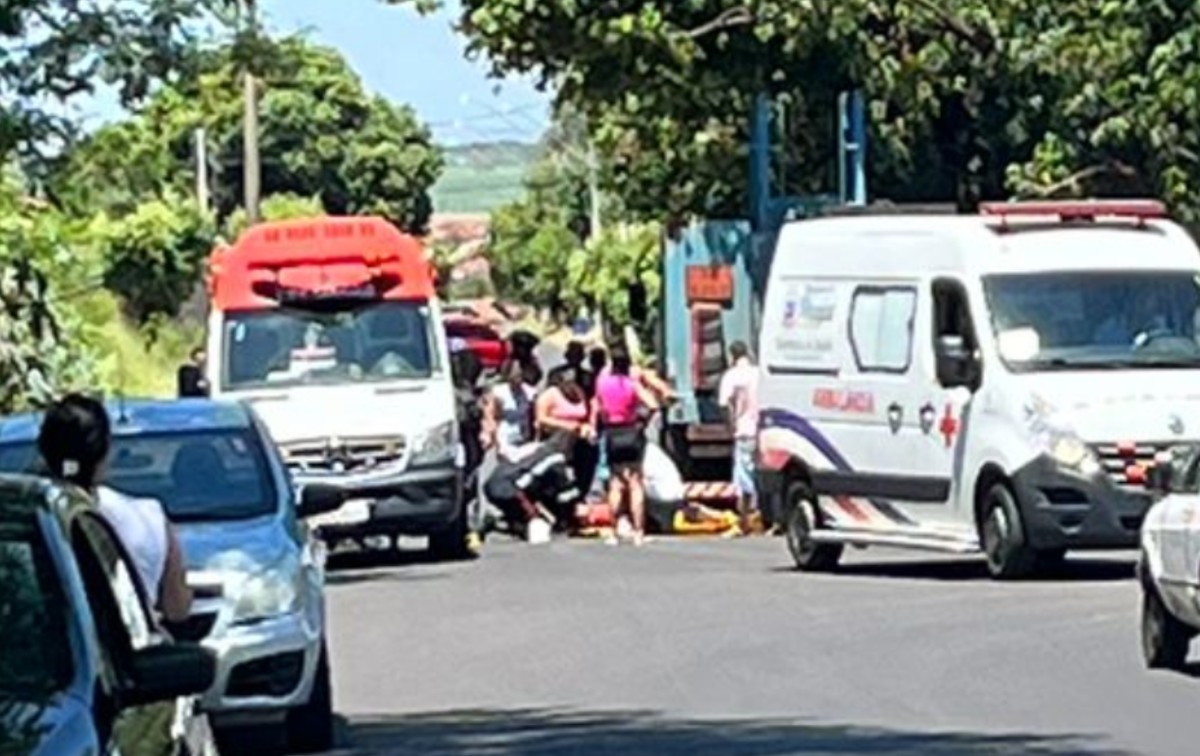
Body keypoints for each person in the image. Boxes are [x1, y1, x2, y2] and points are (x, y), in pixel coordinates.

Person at [37, 394, 192, 624]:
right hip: (130, 654)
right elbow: (177, 608)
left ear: (44, 452)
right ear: (105, 452)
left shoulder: (28, 520)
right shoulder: (149, 519)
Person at [593, 343, 659, 545]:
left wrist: (602, 422)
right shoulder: (632, 384)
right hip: (631, 431)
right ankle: (638, 532)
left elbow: (598, 406)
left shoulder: (602, 383)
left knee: (615, 484)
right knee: (635, 483)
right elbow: (653, 405)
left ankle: (613, 532)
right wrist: (642, 422)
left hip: (612, 432)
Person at [535, 366, 594, 524]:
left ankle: (575, 510)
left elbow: (584, 413)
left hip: (577, 442)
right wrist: (565, 425)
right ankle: (558, 513)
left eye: (573, 381)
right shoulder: (550, 395)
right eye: (567, 382)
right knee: (559, 478)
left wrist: (587, 426)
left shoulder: (579, 393)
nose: (571, 385)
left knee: (580, 476)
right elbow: (541, 419)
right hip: (556, 441)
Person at [718, 341, 761, 535]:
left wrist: (730, 425)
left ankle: (745, 520)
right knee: (762, 473)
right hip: (762, 430)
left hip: (743, 430)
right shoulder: (758, 373)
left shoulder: (731, 376)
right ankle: (767, 516)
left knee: (744, 477)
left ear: (732, 356)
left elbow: (724, 403)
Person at [482, 359, 538, 463]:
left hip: (524, 437)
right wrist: (491, 435)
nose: (518, 379)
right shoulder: (499, 393)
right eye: (515, 376)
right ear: (508, 377)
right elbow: (492, 415)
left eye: (520, 375)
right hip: (506, 438)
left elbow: (534, 415)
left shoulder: (530, 392)